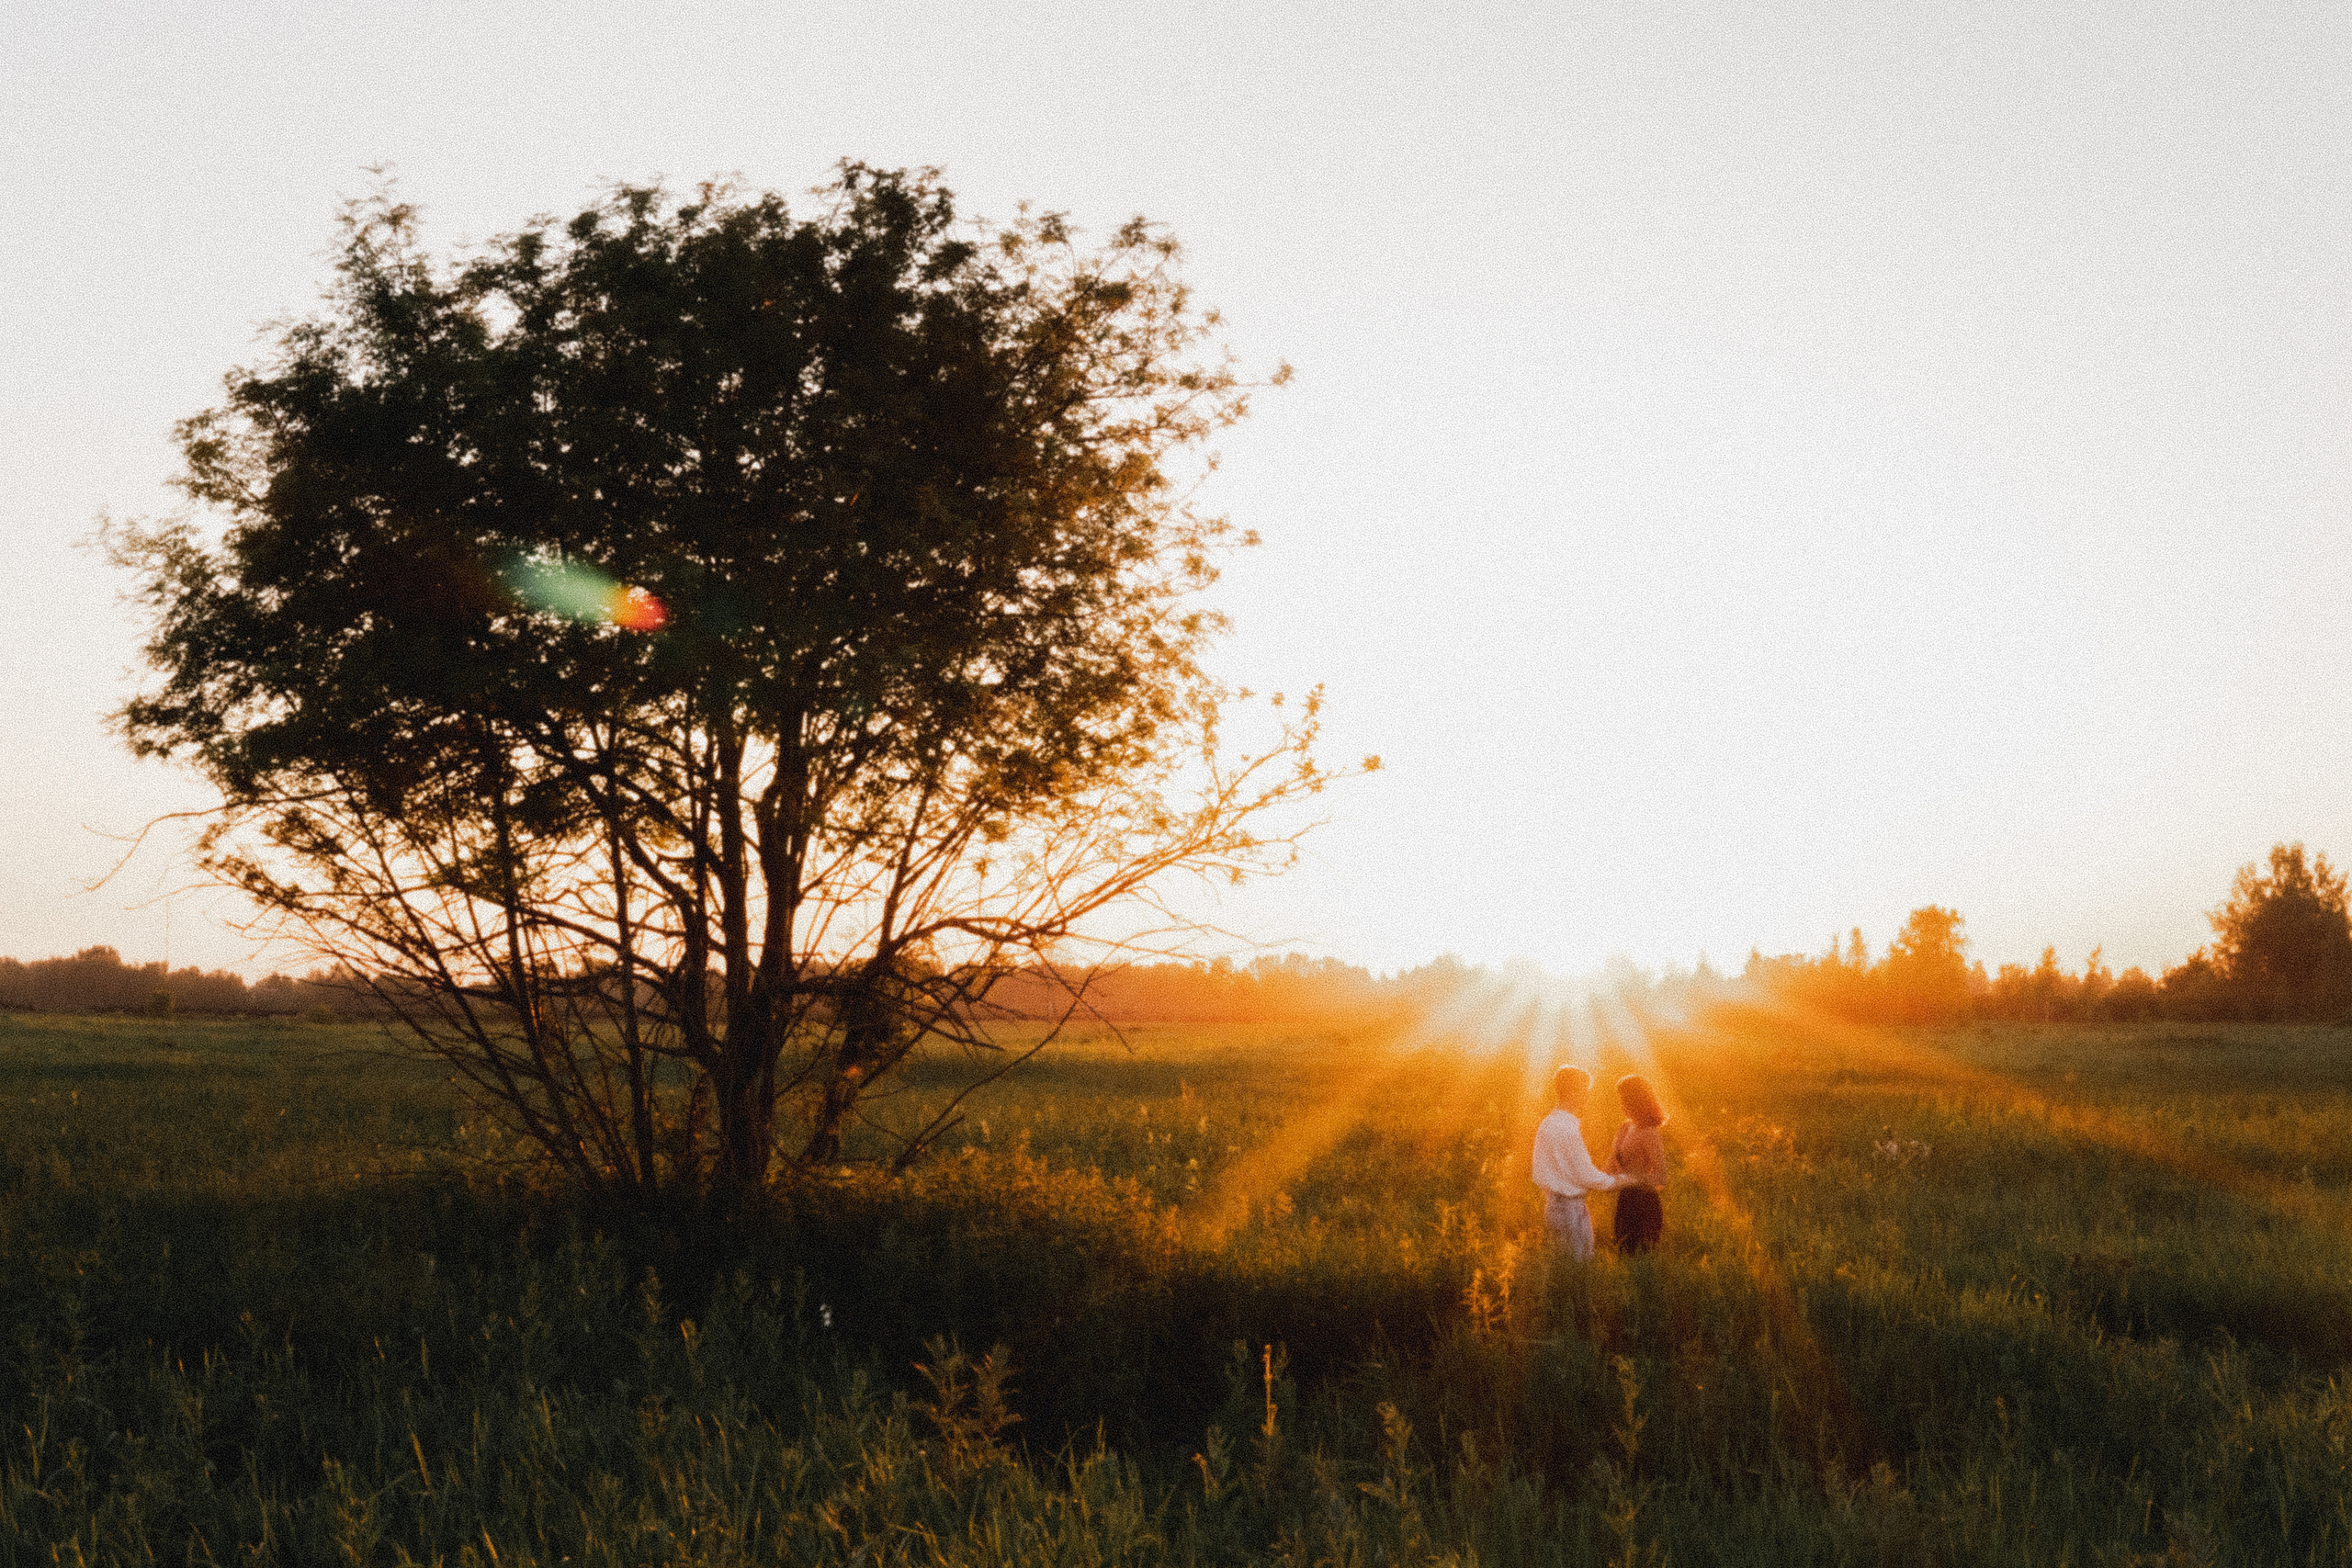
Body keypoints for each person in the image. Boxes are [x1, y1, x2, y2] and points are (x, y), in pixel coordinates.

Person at [1531, 1065, 1628, 1258]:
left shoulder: (1547, 1124)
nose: (1586, 1096)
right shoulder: (1568, 1129)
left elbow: (1539, 1169)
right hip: (1569, 1209)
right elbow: (1586, 1175)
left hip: (1553, 1205)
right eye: (1584, 1090)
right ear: (1573, 1091)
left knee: (1562, 1264)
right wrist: (1625, 1180)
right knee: (1577, 1266)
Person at [1607, 1073, 1668, 1255]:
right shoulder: (1625, 1127)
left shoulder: (1649, 1131)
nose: (1621, 1104)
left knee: (1640, 1257)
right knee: (1623, 1256)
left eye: (1624, 1099)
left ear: (1636, 1100)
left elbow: (1661, 1177)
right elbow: (1610, 1166)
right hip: (1625, 1202)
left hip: (1644, 1205)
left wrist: (1632, 1180)